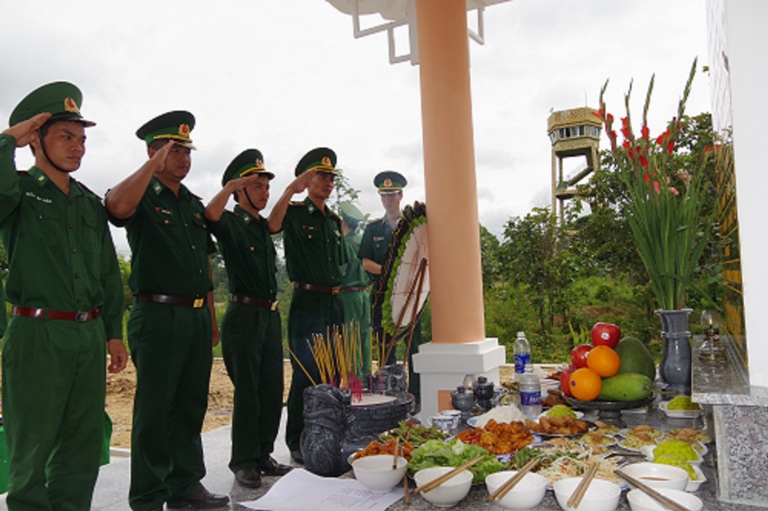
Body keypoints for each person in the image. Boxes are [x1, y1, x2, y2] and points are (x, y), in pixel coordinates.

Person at [0, 81, 128, 510]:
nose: (78, 148)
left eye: (83, 140)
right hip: (37, 335)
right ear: (36, 139)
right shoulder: (17, 192)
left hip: (86, 336)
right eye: (66, 137)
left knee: (81, 443)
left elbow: (108, 273)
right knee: (31, 444)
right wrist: (7, 140)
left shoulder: (90, 204)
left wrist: (113, 332)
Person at [105, 111, 227, 511]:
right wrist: (150, 168)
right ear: (153, 153)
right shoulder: (141, 193)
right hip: (156, 316)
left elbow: (205, 267)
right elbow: (116, 208)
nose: (184, 158)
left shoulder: (192, 203)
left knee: (191, 405)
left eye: (187, 151)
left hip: (194, 317)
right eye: (175, 151)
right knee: (155, 412)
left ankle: (185, 486)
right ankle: (147, 497)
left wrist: (210, 317)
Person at [204, 149, 292, 489]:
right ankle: (243, 461)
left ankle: (263, 455)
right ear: (240, 190)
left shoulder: (260, 226)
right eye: (257, 187)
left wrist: (287, 192)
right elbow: (210, 215)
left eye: (266, 187)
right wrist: (229, 187)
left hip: (269, 315)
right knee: (248, 392)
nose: (264, 193)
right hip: (243, 315)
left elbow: (276, 222)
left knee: (271, 389)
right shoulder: (230, 221)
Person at [267, 147, 347, 464]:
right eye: (321, 176)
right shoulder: (296, 212)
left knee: (333, 372)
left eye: (331, 177)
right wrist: (289, 190)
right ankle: (298, 439)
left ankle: (327, 433)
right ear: (306, 178)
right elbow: (272, 225)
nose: (328, 182)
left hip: (334, 302)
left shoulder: (333, 221)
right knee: (306, 374)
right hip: (307, 302)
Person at [359, 170, 422, 404]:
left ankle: (416, 395)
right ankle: (389, 396)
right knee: (385, 347)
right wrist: (391, 273)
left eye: (392, 195)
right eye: (384, 196)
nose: (388, 200)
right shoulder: (373, 229)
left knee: (413, 346)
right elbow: (365, 262)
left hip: (411, 295)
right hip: (382, 295)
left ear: (401, 195)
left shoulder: (413, 227)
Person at [338, 201, 372, 380]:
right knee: (364, 336)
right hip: (364, 294)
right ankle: (366, 376)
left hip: (349, 294)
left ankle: (355, 380)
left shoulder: (344, 244)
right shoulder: (363, 241)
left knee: (351, 338)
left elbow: (340, 272)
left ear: (343, 222)